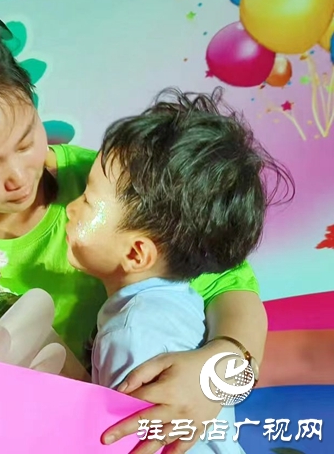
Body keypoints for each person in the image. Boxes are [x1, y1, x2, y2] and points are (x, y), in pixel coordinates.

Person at [0, 0, 294, 452]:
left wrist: (216, 375)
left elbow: (228, 284)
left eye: (26, 141)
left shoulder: (111, 187)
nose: (19, 176)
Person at [65, 87, 289, 453]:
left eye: (88, 201)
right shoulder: (182, 301)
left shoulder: (132, 337)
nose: (70, 208)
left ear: (136, 253)